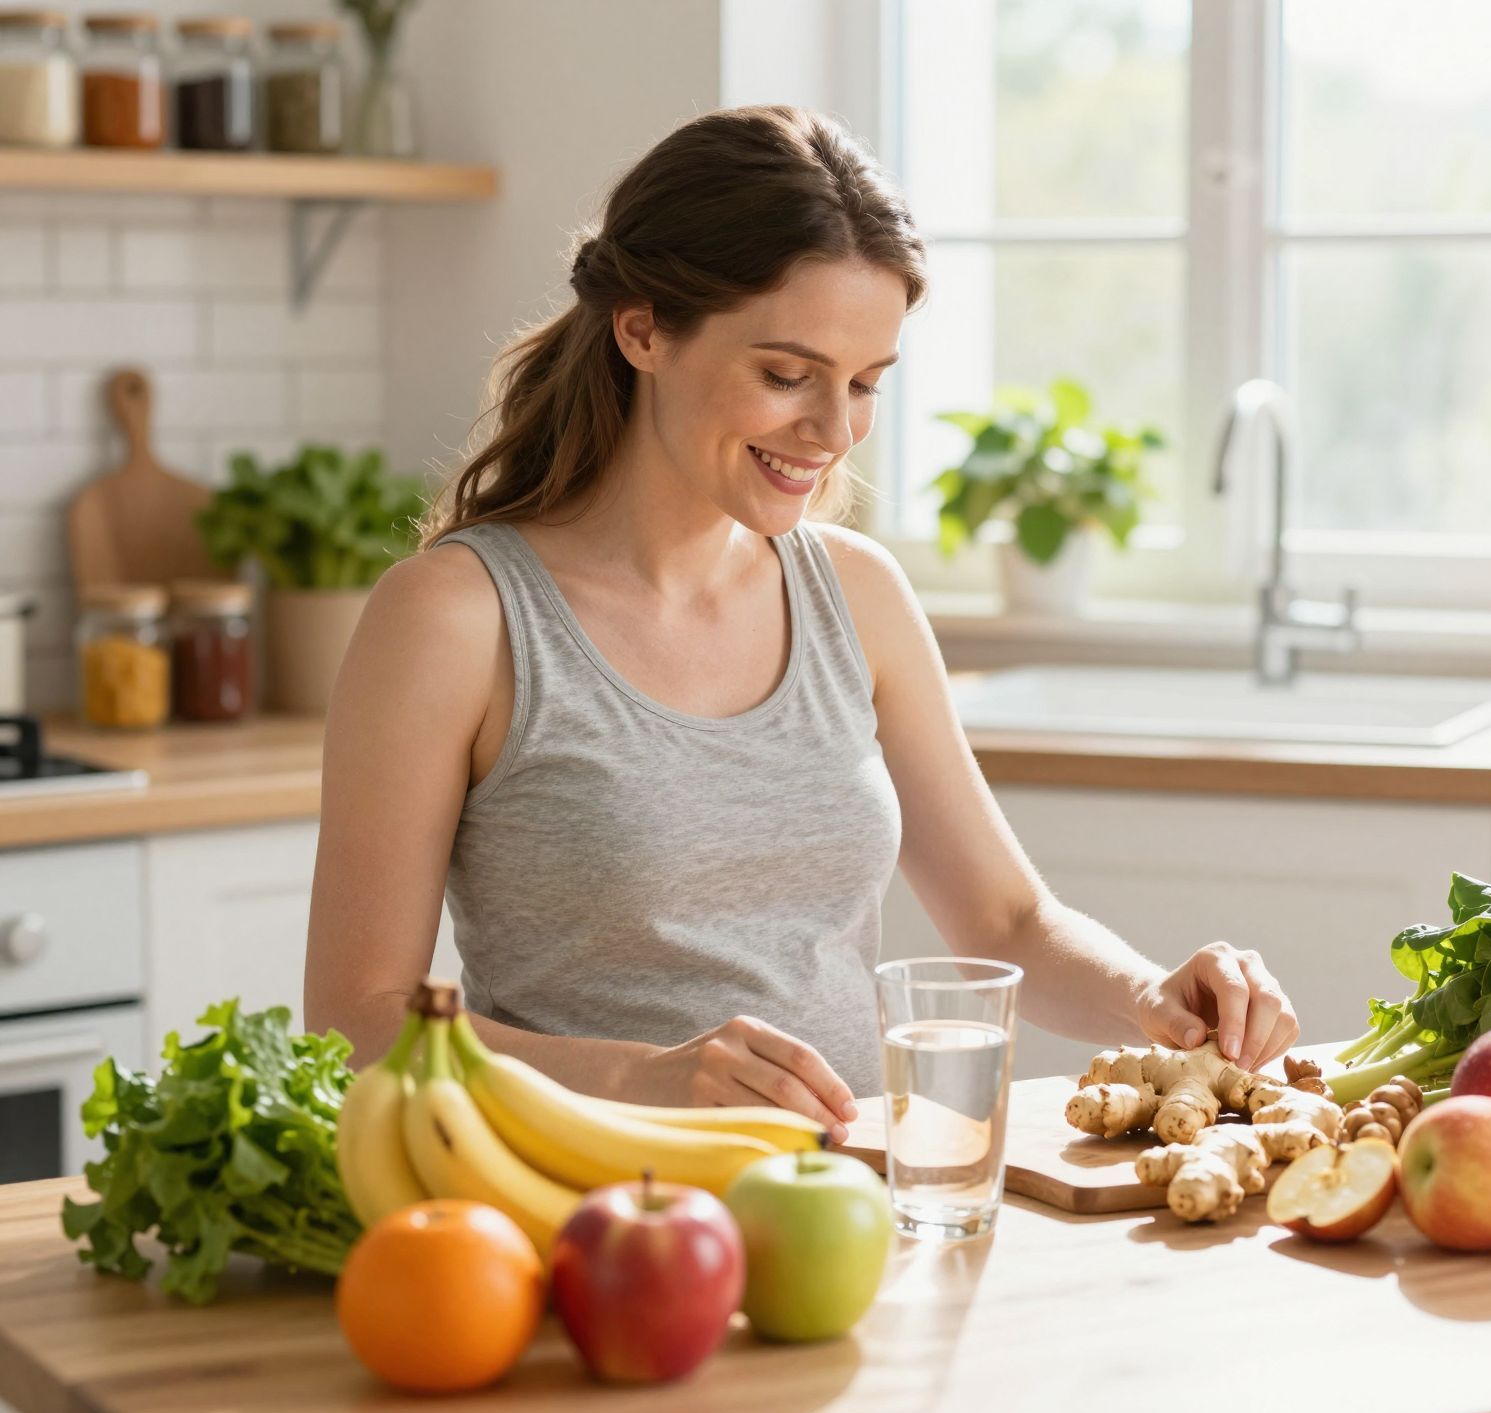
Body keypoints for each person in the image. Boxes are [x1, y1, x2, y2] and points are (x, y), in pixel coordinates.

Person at [306, 105, 1300, 1144]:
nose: (832, 432)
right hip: (588, 1216)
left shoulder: (853, 595)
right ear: (641, 329)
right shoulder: (456, 618)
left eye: (865, 383)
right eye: (786, 376)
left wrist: (1155, 997)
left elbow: (1008, 920)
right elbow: (355, 1021)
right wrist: (644, 1078)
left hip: (846, 1202)